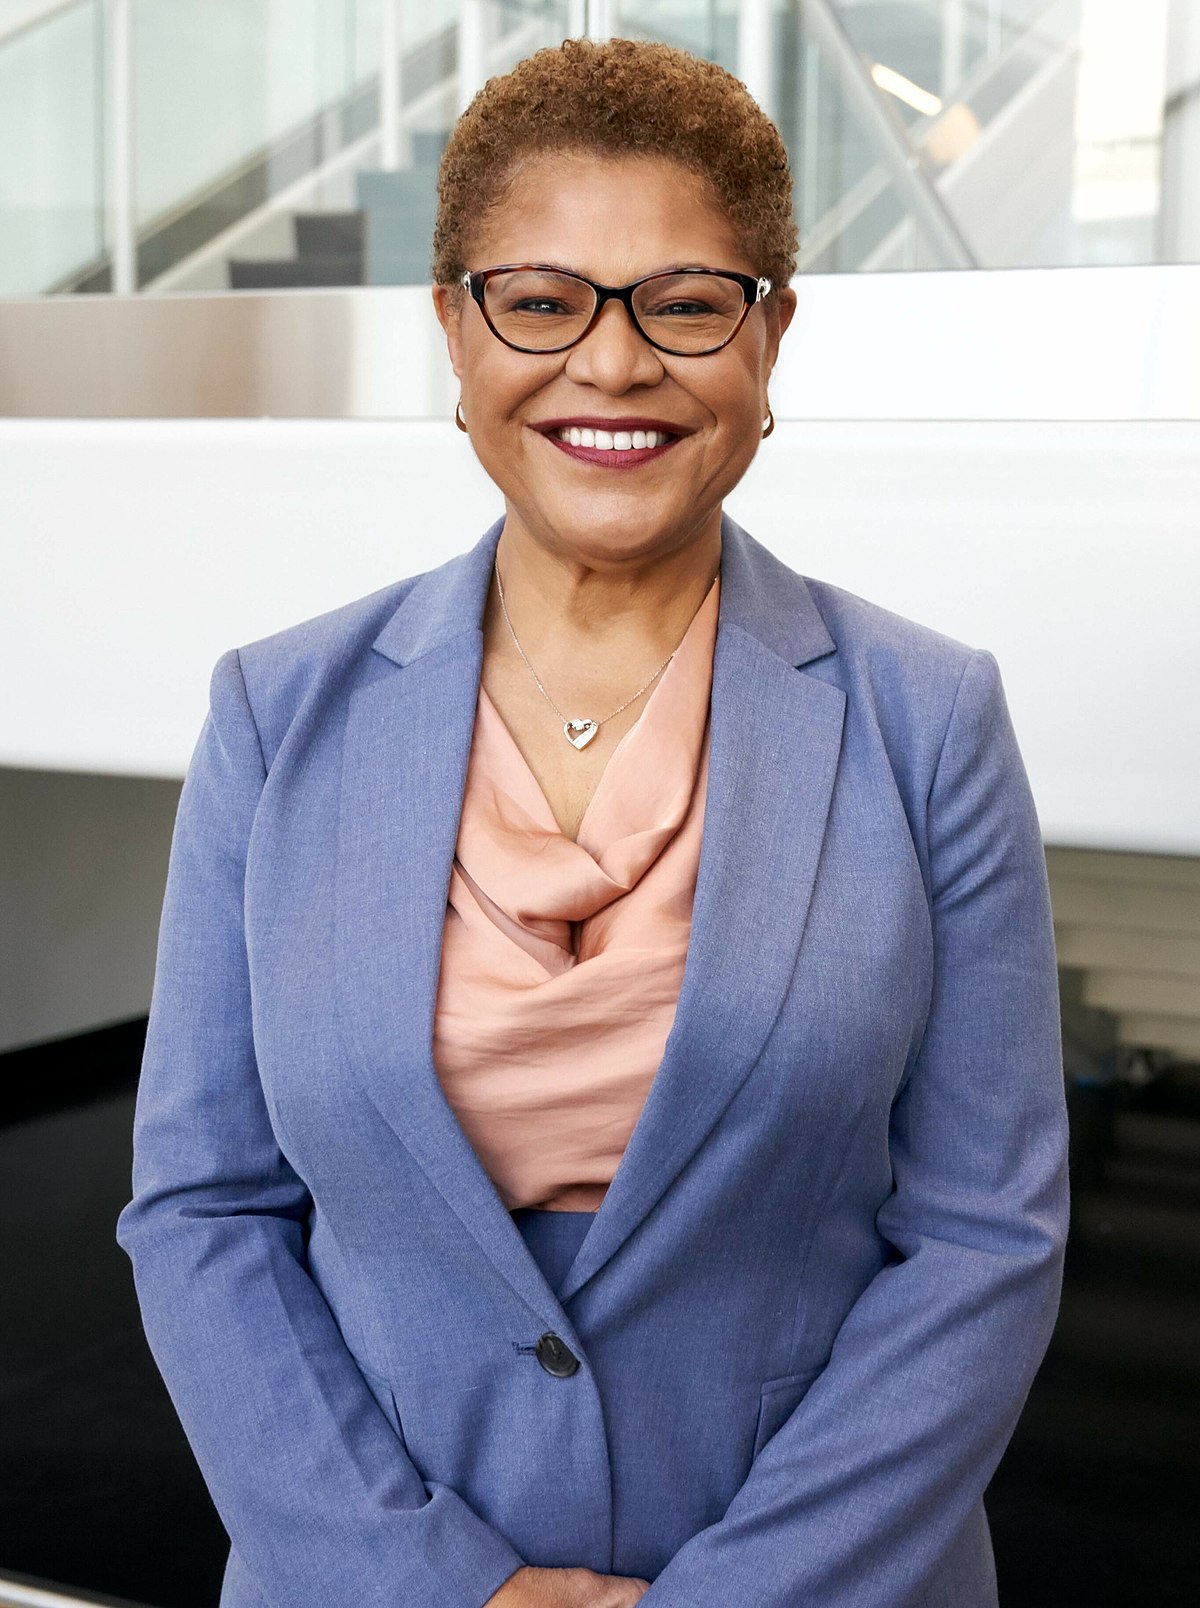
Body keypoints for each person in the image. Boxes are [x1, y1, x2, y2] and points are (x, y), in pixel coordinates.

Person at [116, 36, 1069, 1608]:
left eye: (684, 302)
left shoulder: (925, 717)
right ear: (453, 327)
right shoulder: (278, 715)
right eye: (542, 301)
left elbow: (986, 1242)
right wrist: (438, 1588)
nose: (612, 366)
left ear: (770, 338)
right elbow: (206, 1209)